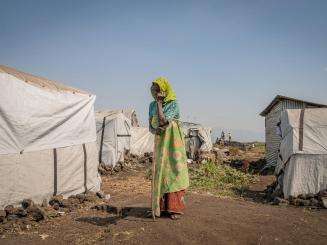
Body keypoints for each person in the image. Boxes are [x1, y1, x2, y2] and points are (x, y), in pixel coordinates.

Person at [148, 77, 189, 220]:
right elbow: (152, 125)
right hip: (160, 141)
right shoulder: (151, 105)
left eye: (157, 90)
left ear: (164, 90)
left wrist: (160, 103)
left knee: (174, 170)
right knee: (161, 171)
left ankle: (174, 209)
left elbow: (164, 121)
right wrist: (155, 127)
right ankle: (159, 207)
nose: (154, 93)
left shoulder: (173, 104)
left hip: (173, 142)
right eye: (153, 90)